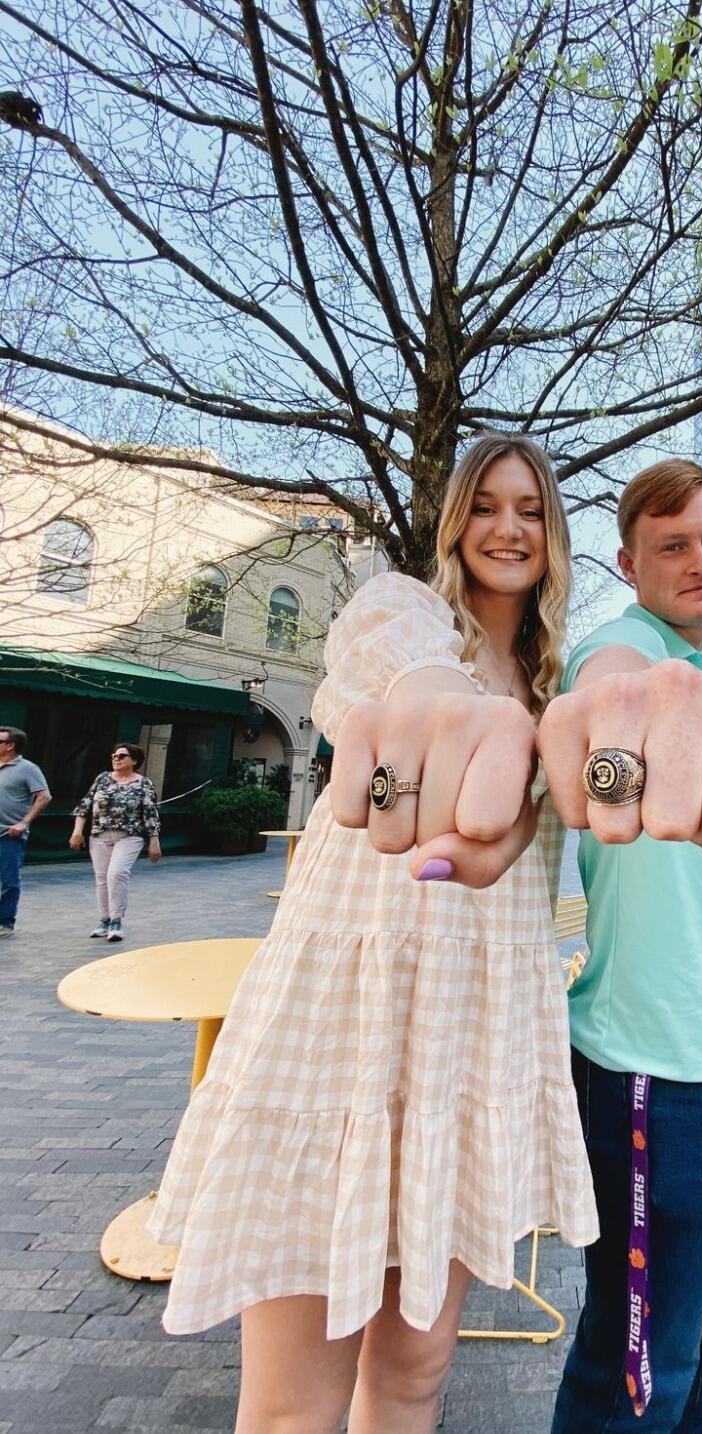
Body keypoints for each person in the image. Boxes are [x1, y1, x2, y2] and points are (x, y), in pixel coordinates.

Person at [147, 434, 598, 1434]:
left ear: (555, 534)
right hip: (343, 1040)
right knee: (291, 1407)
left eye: (530, 509)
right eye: (485, 505)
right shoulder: (401, 611)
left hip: (463, 1056)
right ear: (454, 522)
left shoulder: (560, 693)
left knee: (413, 1378)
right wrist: (445, 710)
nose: (508, 527)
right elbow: (391, 676)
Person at [539, 459, 702, 1434]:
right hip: (656, 1073)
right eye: (673, 545)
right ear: (628, 562)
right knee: (641, 1362)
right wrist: (622, 729)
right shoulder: (625, 650)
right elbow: (612, 694)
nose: (701, 560)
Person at [68, 742, 162, 941]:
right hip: (100, 835)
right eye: (114, 756)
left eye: (121, 756)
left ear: (134, 761)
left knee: (117, 874)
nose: (116, 759)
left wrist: (154, 841)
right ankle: (105, 919)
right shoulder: (102, 779)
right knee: (101, 879)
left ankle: (117, 920)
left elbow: (151, 814)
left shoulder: (144, 783)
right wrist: (77, 831)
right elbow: (84, 806)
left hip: (129, 836)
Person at [0, 726, 51, 937]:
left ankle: (4, 923)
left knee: (8, 880)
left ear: (10, 745)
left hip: (8, 834)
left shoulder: (28, 768)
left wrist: (24, 823)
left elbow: (44, 796)